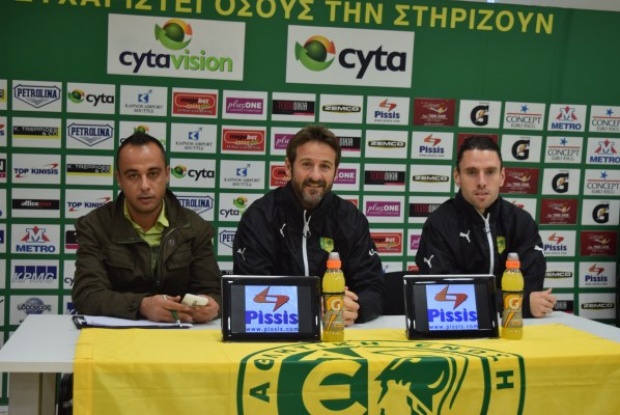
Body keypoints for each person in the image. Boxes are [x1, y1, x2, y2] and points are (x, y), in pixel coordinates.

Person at [233, 124, 384, 324]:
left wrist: (357, 308)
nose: (315, 176)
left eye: (325, 166)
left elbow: (373, 288)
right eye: (306, 164)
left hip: (338, 330)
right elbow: (249, 291)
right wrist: (310, 306)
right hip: (276, 329)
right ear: (288, 167)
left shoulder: (351, 219)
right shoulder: (260, 217)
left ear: (335, 172)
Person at [72, 132, 221, 323]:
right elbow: (87, 296)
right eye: (133, 175)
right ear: (119, 179)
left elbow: (214, 292)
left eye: (153, 174)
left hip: (180, 333)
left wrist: (212, 305)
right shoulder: (95, 226)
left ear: (167, 174)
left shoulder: (194, 227)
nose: (144, 185)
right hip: (118, 333)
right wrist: (141, 306)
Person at [415, 136, 555, 318]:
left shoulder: (521, 222)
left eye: (490, 172)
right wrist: (516, 303)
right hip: (456, 324)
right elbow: (444, 296)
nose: (481, 182)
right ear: (457, 176)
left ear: (502, 176)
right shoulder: (439, 224)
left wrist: (517, 302)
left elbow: (531, 289)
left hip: (514, 325)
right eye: (472, 172)